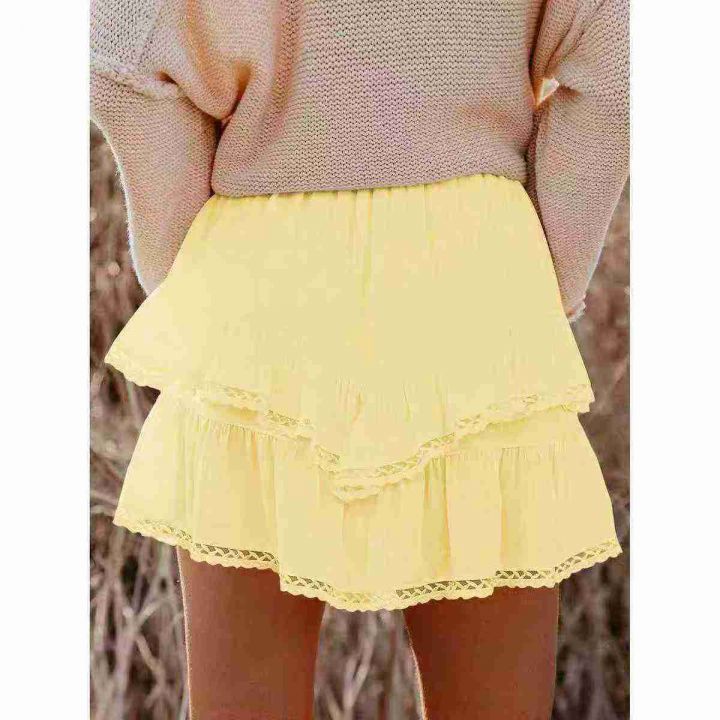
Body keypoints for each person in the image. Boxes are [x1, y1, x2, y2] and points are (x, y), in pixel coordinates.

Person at [90, 1, 628, 717]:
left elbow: (121, 50)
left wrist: (184, 272)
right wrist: (543, 279)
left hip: (262, 278)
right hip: (475, 280)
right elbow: (620, 58)